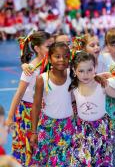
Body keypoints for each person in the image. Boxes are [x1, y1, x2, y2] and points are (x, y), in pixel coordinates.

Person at [6, 31, 51, 166]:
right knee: (26, 146)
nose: (52, 48)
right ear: (37, 48)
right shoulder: (30, 69)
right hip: (27, 113)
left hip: (42, 111)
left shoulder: (51, 64)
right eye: (48, 46)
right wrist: (9, 117)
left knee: (40, 146)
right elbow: (19, 94)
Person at [30, 42, 74, 166]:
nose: (62, 60)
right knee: (42, 159)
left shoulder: (73, 75)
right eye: (57, 56)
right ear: (49, 58)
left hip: (67, 126)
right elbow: (36, 106)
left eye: (66, 56)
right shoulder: (42, 79)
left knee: (61, 161)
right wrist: (34, 132)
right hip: (47, 124)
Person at [69, 52, 114, 166]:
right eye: (81, 71)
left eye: (89, 70)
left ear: (95, 68)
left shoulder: (102, 84)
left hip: (101, 129)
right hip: (82, 130)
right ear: (74, 71)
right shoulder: (74, 87)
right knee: (81, 160)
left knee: (102, 160)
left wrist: (112, 75)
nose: (86, 74)